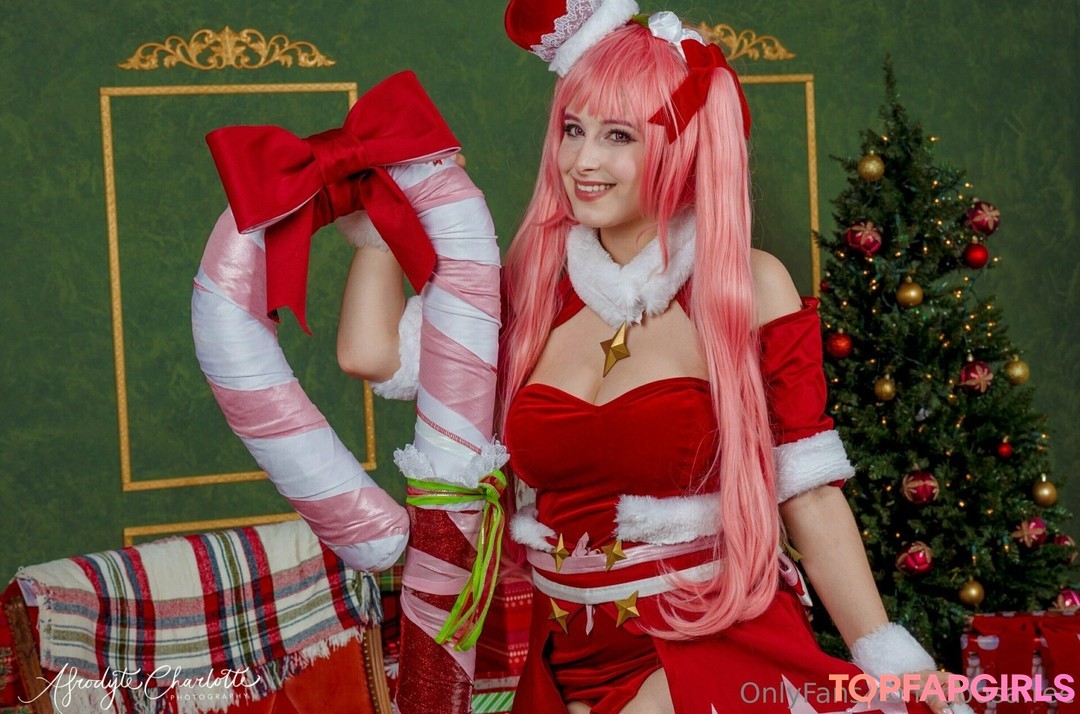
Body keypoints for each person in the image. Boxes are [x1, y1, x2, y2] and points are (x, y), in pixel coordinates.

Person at [337, 3, 972, 712]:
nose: (583, 161)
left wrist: (885, 654)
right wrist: (380, 226)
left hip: (709, 636)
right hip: (568, 655)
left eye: (619, 136)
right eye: (573, 129)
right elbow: (373, 354)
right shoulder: (532, 290)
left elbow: (810, 488)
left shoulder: (746, 286)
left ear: (681, 145)